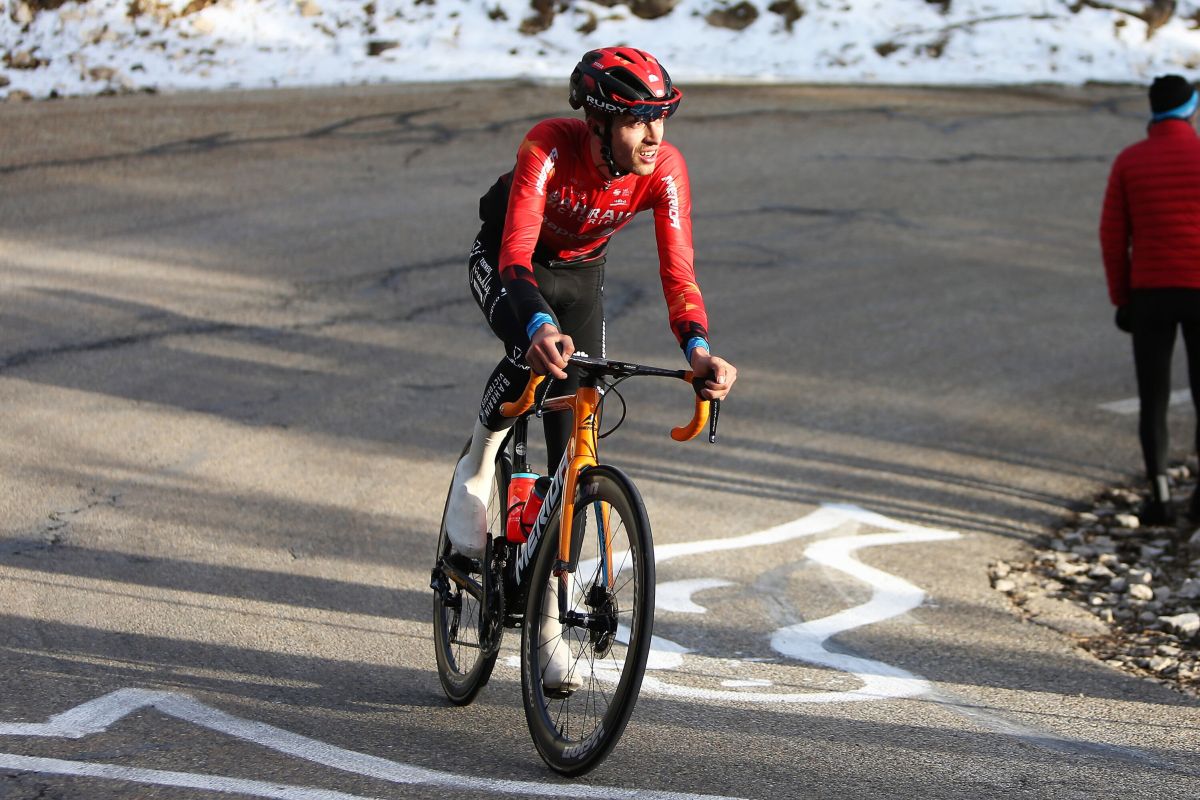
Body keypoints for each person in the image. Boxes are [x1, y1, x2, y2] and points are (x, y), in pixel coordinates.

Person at [445, 47, 738, 688]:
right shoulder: (547, 146)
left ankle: (548, 618)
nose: (654, 136)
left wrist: (698, 352)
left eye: (661, 119)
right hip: (510, 262)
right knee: (535, 360)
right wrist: (537, 324)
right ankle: (476, 464)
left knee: (575, 435)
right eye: (638, 121)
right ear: (600, 123)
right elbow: (517, 256)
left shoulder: (664, 169)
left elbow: (678, 274)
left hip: (581, 274)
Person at [1100, 73, 1200, 525]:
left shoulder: (1129, 161)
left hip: (1151, 294)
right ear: (1190, 109)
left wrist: (1123, 299)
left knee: (1153, 395)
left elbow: (1113, 235)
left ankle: (1159, 497)